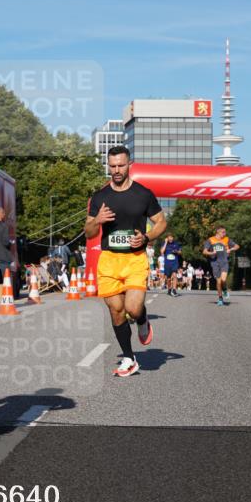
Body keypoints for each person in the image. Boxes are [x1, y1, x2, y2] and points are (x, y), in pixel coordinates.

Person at [85, 146, 166, 377]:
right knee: (116, 311)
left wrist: (147, 237)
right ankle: (129, 358)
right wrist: (97, 220)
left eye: (121, 165)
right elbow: (89, 232)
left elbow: (161, 222)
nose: (117, 170)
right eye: (112, 166)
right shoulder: (100, 197)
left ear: (129, 164)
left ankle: (142, 318)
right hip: (109, 260)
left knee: (132, 308)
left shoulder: (143, 194)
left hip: (134, 259)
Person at [202, 226, 239, 306]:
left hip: (224, 262)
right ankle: (220, 298)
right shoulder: (210, 240)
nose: (225, 234)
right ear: (218, 232)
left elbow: (237, 246)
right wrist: (211, 253)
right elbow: (204, 251)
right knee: (218, 282)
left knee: (223, 279)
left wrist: (230, 249)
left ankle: (225, 290)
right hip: (215, 263)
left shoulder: (227, 239)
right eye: (223, 232)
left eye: (225, 232)